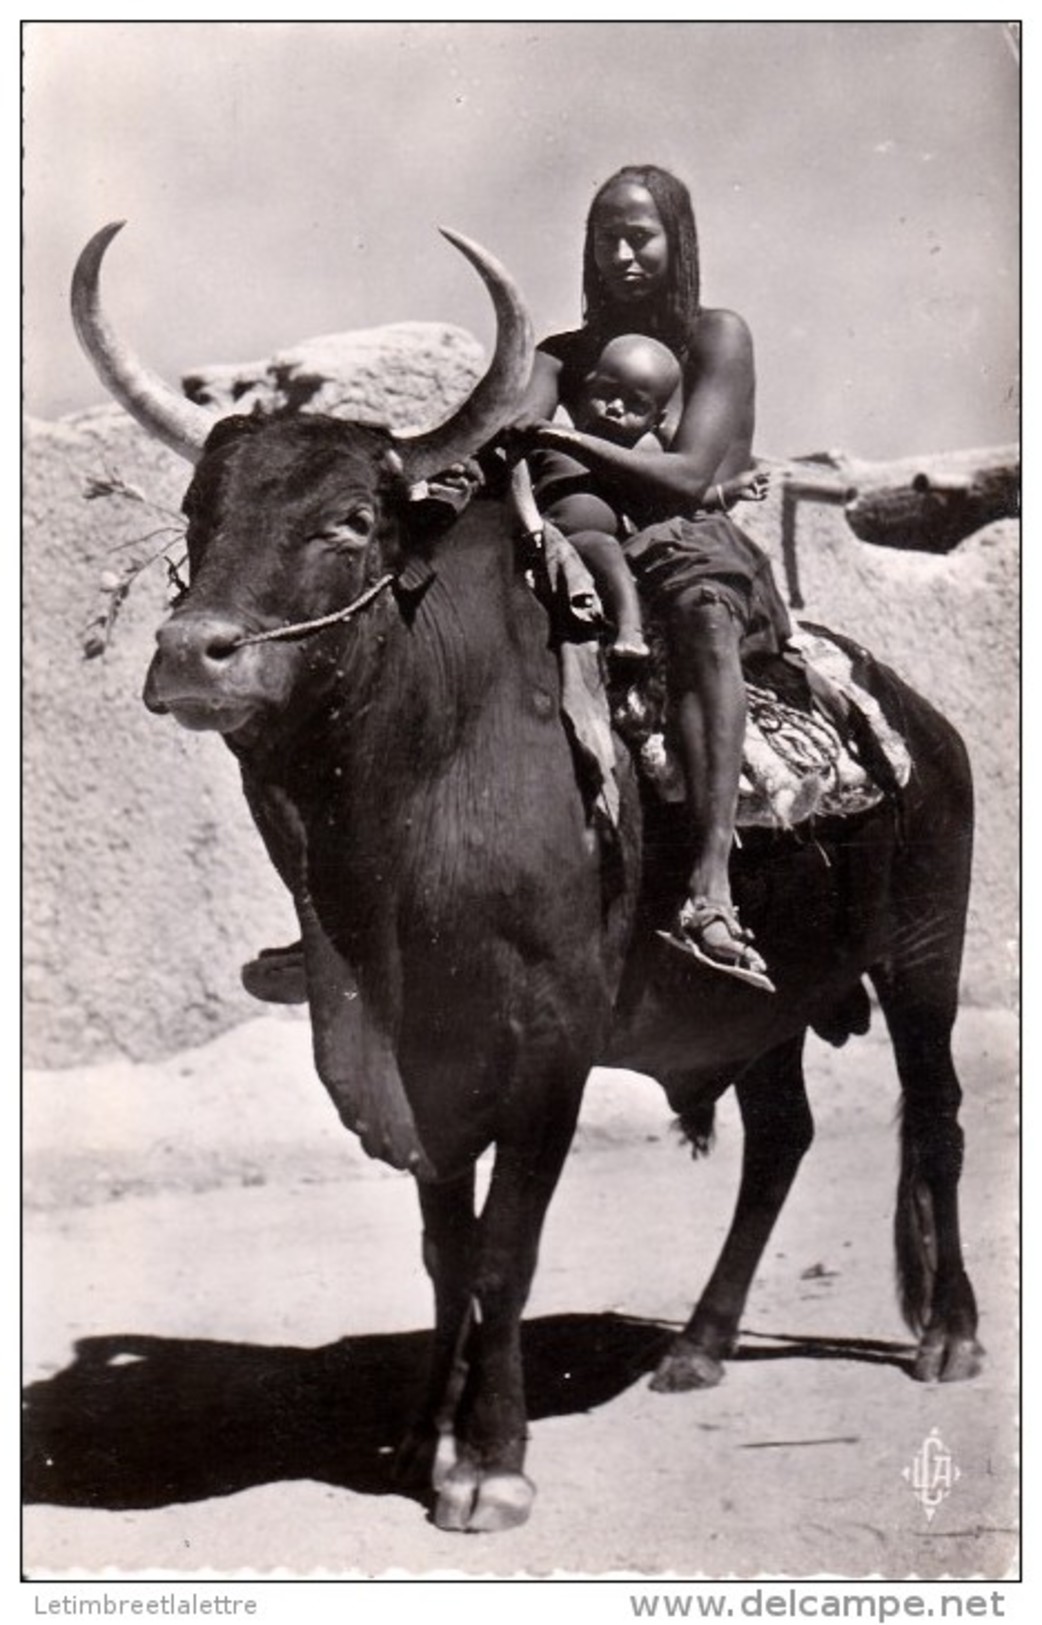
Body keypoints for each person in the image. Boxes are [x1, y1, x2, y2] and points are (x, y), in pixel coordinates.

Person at [506, 163, 792, 992]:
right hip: (597, 541)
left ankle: (713, 885)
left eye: (641, 237)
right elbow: (510, 430)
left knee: (702, 613)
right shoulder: (563, 355)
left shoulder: (717, 336)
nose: (623, 254)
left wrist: (568, 443)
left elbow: (692, 476)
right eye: (608, 239)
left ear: (678, 240)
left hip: (693, 546)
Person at [532, 332, 768, 665]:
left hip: (603, 545)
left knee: (605, 548)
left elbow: (666, 502)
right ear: (586, 388)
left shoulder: (637, 460)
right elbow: (516, 479)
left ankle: (631, 630)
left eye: (635, 405)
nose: (615, 408)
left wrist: (722, 493)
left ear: (654, 421)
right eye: (606, 394)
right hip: (549, 535)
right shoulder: (551, 439)